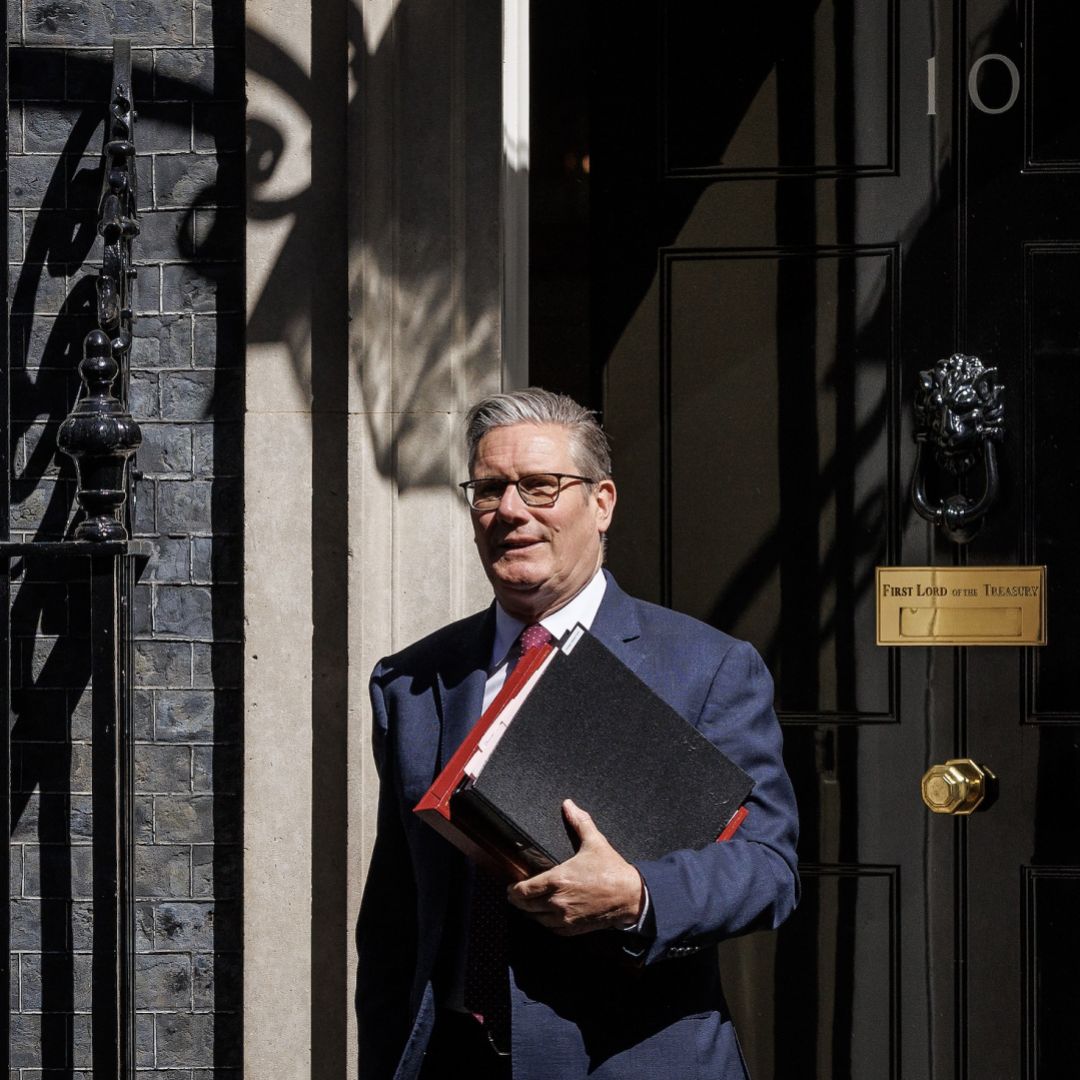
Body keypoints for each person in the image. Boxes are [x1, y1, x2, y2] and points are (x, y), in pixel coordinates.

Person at [356, 388, 799, 1080]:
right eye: (489, 489)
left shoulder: (706, 669)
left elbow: (769, 868)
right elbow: (393, 920)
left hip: (629, 1060)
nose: (510, 511)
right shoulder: (414, 681)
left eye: (539, 486)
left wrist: (638, 895)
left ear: (601, 503)